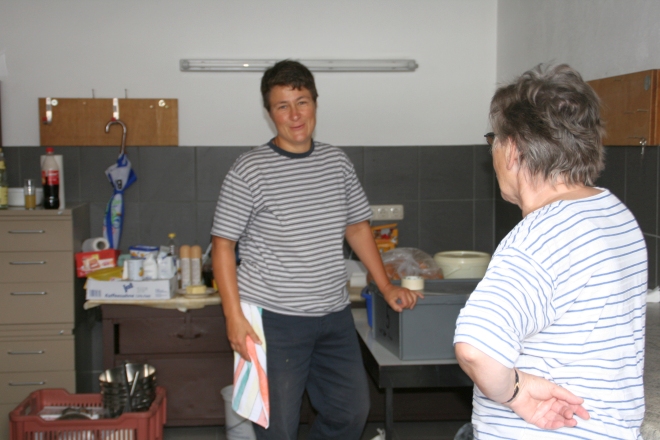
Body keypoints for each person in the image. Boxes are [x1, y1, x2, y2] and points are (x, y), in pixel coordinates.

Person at [211, 59, 422, 440]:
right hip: (274, 321)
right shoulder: (249, 169)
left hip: (333, 317)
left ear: (315, 103)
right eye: (283, 106)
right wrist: (232, 316)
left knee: (350, 413)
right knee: (278, 429)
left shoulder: (336, 162)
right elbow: (223, 244)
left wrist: (385, 285)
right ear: (269, 113)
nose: (295, 115)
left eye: (302, 102)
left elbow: (357, 227)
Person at [454, 64, 647, 439]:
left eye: (494, 139)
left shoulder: (539, 237)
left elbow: (476, 348)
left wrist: (517, 392)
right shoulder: (614, 213)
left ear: (512, 149)